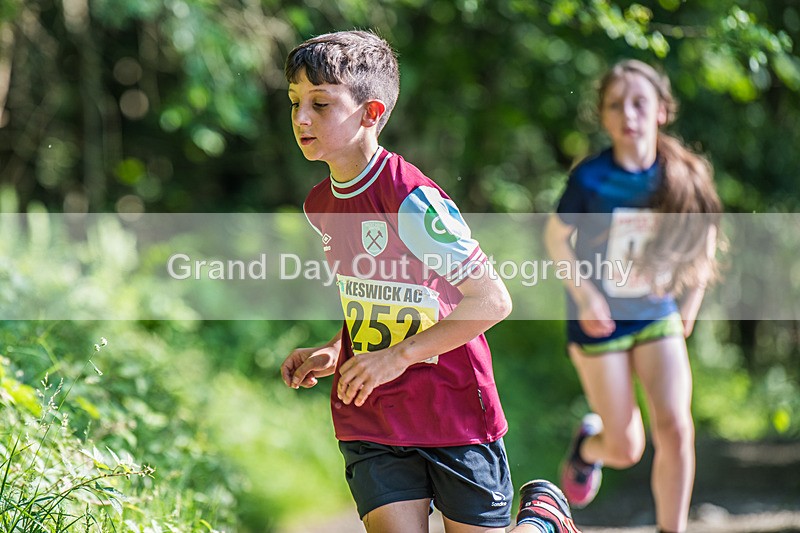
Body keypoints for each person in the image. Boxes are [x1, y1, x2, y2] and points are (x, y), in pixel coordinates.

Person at [279, 30, 581, 533]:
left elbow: (491, 300)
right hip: (371, 413)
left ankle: (542, 522)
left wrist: (396, 357)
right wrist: (337, 350)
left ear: (371, 114)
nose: (301, 118)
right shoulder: (320, 206)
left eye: (321, 103)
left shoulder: (410, 199)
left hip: (453, 408)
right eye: (295, 103)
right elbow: (379, 296)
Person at [543, 59, 722, 533]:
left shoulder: (682, 175)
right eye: (616, 105)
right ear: (603, 116)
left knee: (676, 427)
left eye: (640, 103)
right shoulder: (590, 180)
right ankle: (588, 448)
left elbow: (706, 237)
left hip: (655, 311)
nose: (629, 115)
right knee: (626, 449)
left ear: (662, 111)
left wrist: (690, 306)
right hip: (598, 317)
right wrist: (585, 298)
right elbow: (556, 240)